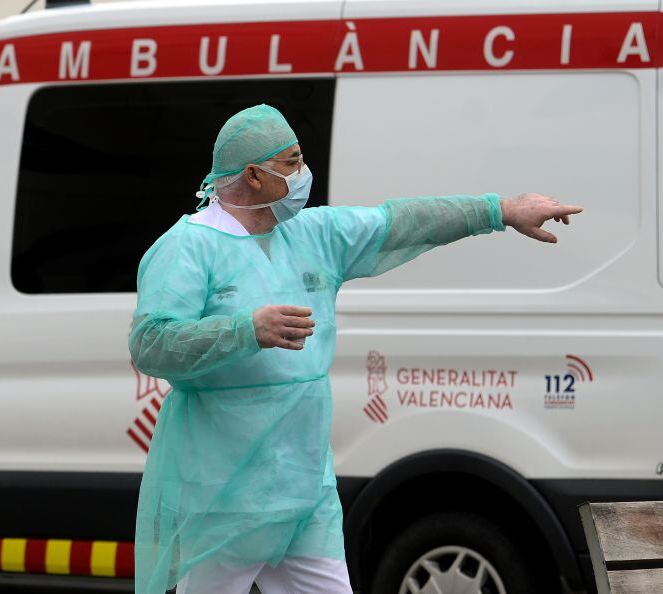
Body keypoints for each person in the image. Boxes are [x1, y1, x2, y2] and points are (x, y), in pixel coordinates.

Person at [128, 104, 582, 594]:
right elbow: (151, 345)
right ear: (254, 175)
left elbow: (402, 221)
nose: (303, 174)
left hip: (304, 492)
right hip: (224, 496)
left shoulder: (312, 235)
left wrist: (502, 211)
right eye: (291, 162)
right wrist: (244, 330)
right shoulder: (189, 247)